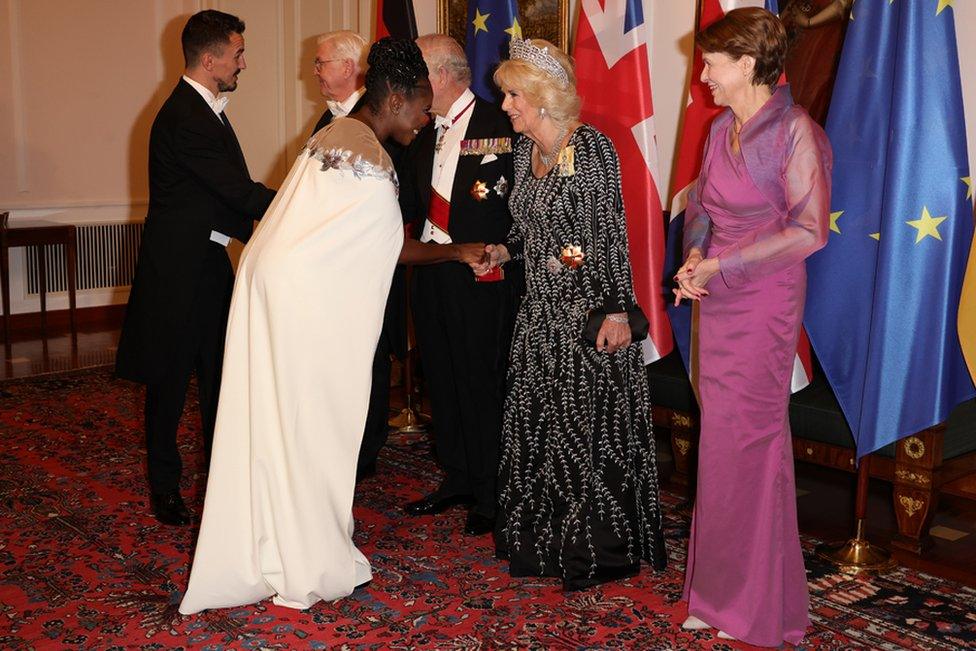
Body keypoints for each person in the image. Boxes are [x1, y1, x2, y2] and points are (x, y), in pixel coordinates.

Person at [178, 37, 432, 614]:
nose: (425, 116)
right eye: (421, 104)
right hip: (302, 306)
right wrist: (461, 250)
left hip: (275, 292)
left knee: (278, 425)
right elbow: (391, 247)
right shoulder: (367, 155)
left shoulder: (336, 134)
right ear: (394, 97)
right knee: (312, 426)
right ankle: (307, 557)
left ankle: (273, 543)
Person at [479, 38, 666, 590]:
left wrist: (612, 308)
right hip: (537, 318)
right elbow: (528, 230)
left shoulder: (589, 148)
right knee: (540, 430)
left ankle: (596, 549)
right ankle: (544, 543)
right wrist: (504, 251)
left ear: (542, 98)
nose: (507, 105)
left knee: (584, 433)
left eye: (514, 95)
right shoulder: (523, 152)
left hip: (587, 317)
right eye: (506, 95)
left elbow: (602, 236)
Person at [672, 8, 832, 646]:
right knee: (720, 446)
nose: (704, 74)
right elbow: (704, 209)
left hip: (765, 303)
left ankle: (756, 605)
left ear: (746, 64)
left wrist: (723, 265)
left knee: (750, 446)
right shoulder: (718, 129)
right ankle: (713, 596)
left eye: (712, 62)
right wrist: (693, 258)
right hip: (720, 297)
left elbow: (809, 230)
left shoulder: (796, 132)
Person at [115, 9, 275, 527]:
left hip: (206, 264)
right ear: (210, 60)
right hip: (179, 273)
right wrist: (302, 204)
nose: (243, 63)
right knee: (169, 383)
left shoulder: (204, 109)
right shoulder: (186, 116)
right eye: (237, 53)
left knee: (218, 377)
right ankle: (165, 488)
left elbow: (223, 197)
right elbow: (237, 192)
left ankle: (219, 482)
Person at [398, 34, 517, 537]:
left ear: (441, 75)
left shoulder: (499, 124)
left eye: (418, 73)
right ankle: (460, 476)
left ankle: (491, 490)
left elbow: (512, 204)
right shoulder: (424, 133)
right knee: (441, 378)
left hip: (479, 272)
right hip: (431, 269)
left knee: (477, 379)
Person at [780, 0, 853, 125]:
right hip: (796, 36)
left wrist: (809, 22)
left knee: (809, 90)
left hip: (821, 40)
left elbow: (840, 6)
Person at [310, 30, 367, 136]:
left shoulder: (374, 116)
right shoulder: (327, 117)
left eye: (320, 63)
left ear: (347, 68)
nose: (315, 72)